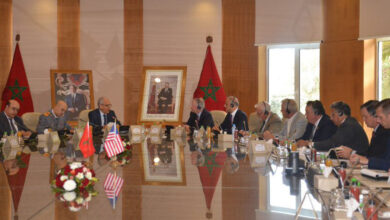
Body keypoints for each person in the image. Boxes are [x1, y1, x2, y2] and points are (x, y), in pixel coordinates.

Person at [350, 99, 390, 170]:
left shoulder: (385, 132)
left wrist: (368, 161)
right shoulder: (381, 131)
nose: (377, 120)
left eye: (380, 117)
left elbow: (386, 162)